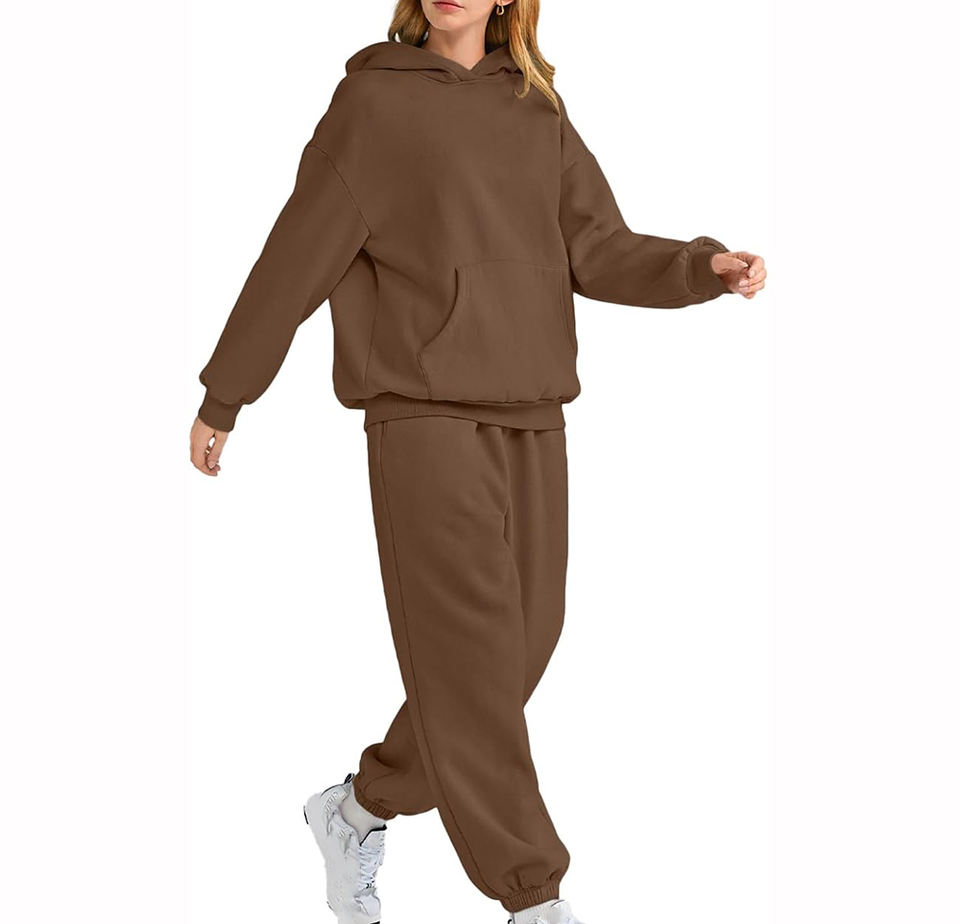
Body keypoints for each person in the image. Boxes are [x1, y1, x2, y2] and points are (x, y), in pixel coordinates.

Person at [189, 1, 766, 922]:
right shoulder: (372, 106)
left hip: (532, 412)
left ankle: (356, 808)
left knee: (519, 650)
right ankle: (533, 895)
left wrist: (701, 269)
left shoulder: (536, 109)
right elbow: (295, 255)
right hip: (422, 414)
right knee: (468, 667)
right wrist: (228, 394)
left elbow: (596, 247)